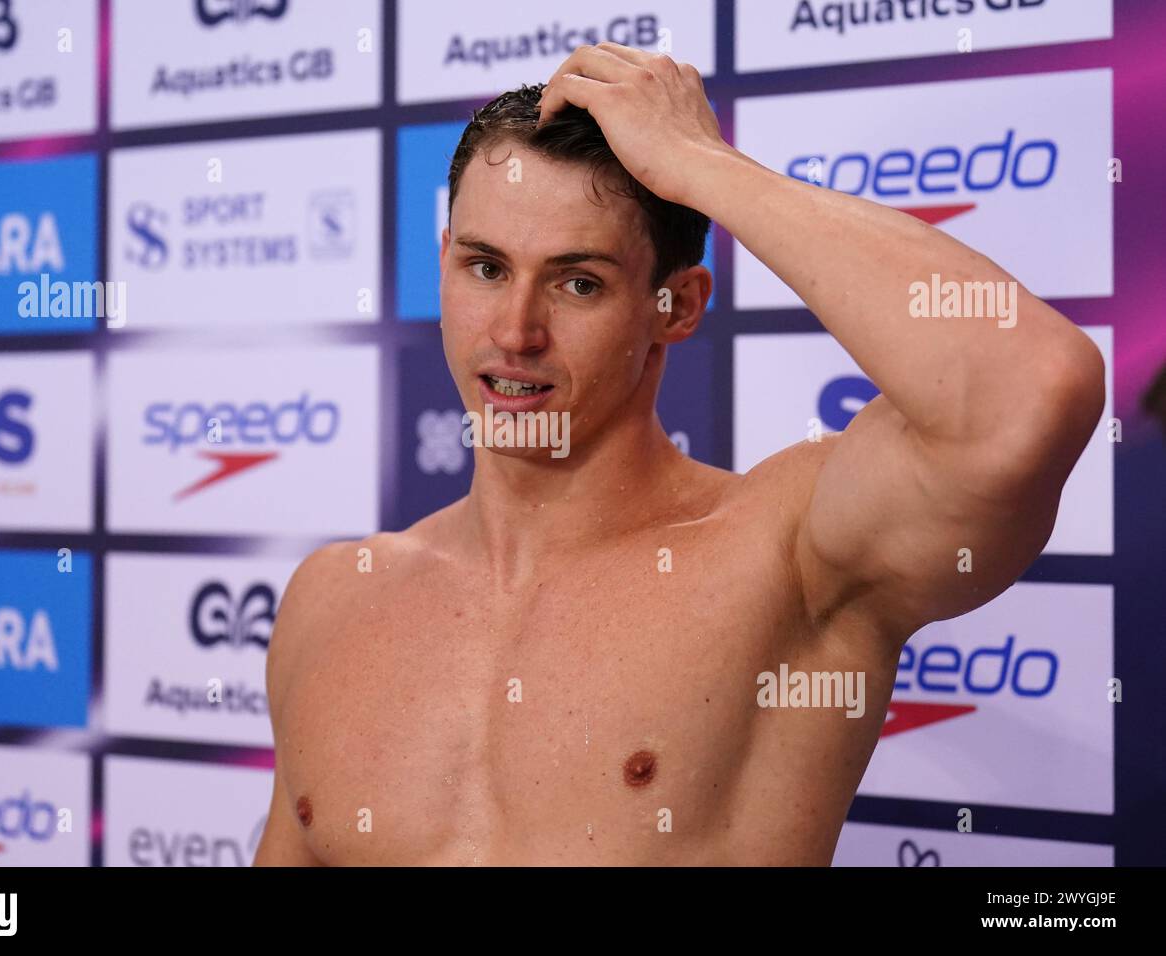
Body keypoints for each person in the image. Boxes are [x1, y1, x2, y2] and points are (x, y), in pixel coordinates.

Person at [253, 42, 1104, 865]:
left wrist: (702, 165)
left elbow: (1030, 393)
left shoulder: (787, 556)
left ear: (678, 304)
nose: (515, 332)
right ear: (443, 265)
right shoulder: (333, 601)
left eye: (578, 281)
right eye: (485, 268)